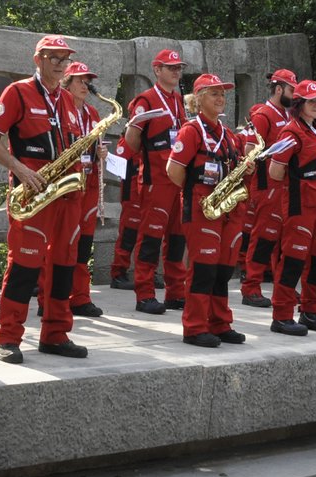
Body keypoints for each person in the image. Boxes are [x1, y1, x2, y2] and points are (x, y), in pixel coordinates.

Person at [0, 35, 87, 364]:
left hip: (65, 195)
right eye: (53, 57)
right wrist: (20, 169)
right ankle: (9, 337)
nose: (59, 63)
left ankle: (56, 334)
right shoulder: (18, 92)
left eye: (64, 58)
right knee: (25, 266)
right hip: (32, 192)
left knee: (64, 266)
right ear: (38, 59)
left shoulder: (69, 100)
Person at [165, 73, 249, 346]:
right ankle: (194, 327)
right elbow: (174, 170)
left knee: (223, 270)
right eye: (214, 93)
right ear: (199, 99)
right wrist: (197, 191)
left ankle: (220, 323)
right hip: (202, 207)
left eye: (222, 93)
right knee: (203, 269)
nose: (220, 98)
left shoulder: (229, 135)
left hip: (226, 208)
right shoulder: (191, 131)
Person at [264, 79, 316, 336]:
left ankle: (310, 311)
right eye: (312, 101)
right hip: (301, 205)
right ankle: (282, 315)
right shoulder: (291, 131)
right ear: (299, 104)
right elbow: (275, 172)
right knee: (294, 260)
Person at [125, 49, 191, 316]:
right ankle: (145, 294)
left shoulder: (178, 99)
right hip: (156, 181)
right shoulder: (146, 100)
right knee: (151, 238)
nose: (176, 72)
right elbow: (132, 141)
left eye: (179, 68)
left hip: (178, 182)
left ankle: (176, 293)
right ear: (156, 69)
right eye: (170, 67)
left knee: (177, 238)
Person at [240, 68, 297, 308]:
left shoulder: (287, 115)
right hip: (266, 185)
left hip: (283, 185)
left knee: (282, 241)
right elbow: (248, 150)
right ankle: (251, 287)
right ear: (279, 89)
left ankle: (283, 289)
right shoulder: (264, 115)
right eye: (292, 90)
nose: (295, 96)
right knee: (263, 237)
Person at [62, 61, 107, 318]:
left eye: (87, 80)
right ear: (67, 83)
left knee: (84, 244)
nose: (85, 85)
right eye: (80, 80)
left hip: (87, 182)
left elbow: (94, 144)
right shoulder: (58, 107)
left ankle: (80, 296)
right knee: (62, 243)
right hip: (66, 184)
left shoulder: (92, 113)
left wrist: (100, 152)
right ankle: (53, 297)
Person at [107, 135, 143, 290]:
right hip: (133, 192)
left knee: (148, 236)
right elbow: (121, 163)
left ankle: (146, 273)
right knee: (128, 233)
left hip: (148, 192)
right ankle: (118, 273)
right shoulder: (129, 137)